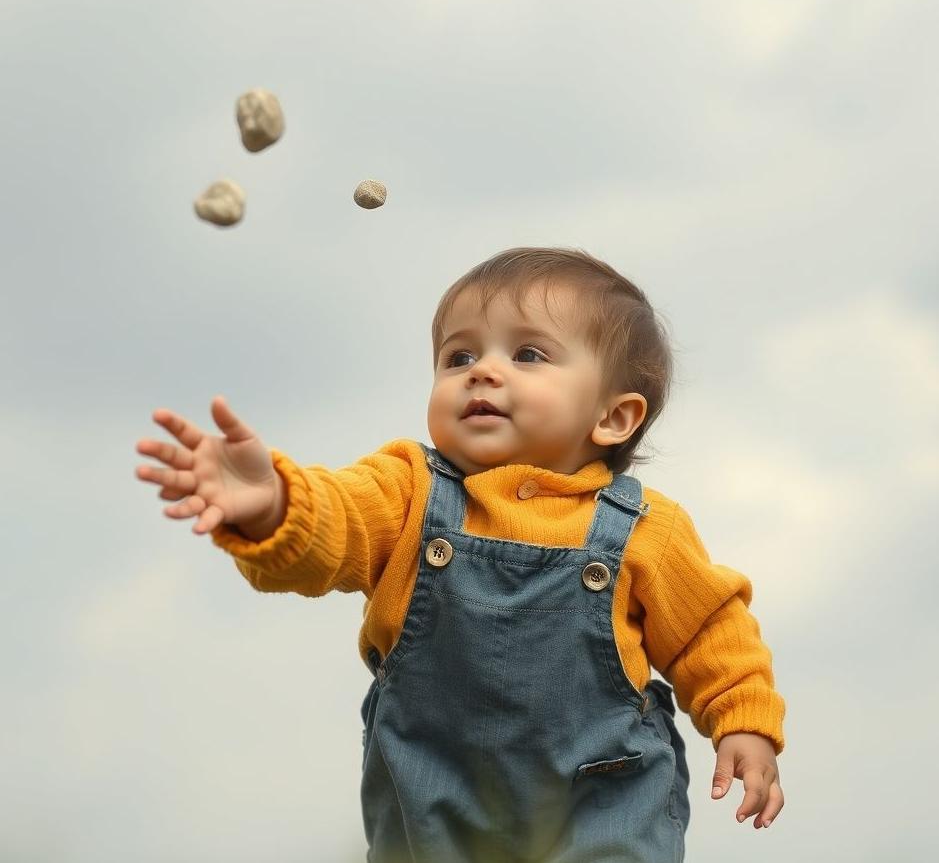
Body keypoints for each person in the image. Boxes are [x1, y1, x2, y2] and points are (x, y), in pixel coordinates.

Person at [134, 246, 785, 862]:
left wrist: (742, 723)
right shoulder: (408, 491)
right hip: (433, 791)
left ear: (613, 417)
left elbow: (709, 632)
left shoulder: (645, 528)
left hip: (601, 792)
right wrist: (273, 501)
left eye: (527, 353)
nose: (482, 368)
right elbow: (334, 524)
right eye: (457, 356)